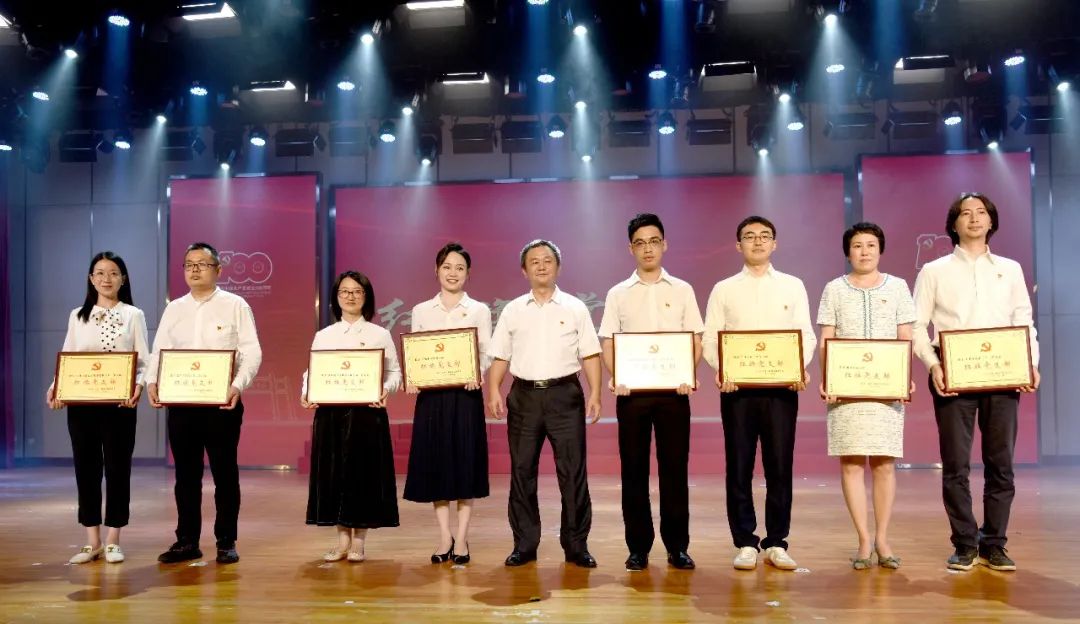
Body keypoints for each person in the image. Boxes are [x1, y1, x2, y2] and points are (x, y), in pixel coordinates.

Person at [912, 192, 1040, 572]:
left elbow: (1023, 320)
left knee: (1001, 464)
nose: (973, 218)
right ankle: (965, 543)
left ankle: (995, 543)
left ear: (991, 221)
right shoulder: (934, 271)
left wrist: (1031, 363)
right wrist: (933, 365)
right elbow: (917, 326)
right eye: (965, 213)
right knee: (956, 465)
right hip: (953, 375)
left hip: (1003, 373)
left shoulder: (1010, 269)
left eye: (981, 212)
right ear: (953, 224)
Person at [702, 216, 816, 572]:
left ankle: (777, 541)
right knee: (739, 466)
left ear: (774, 244)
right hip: (737, 391)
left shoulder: (792, 286)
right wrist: (723, 370)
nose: (758, 241)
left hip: (782, 390)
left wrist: (798, 368)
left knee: (779, 466)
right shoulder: (724, 289)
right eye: (750, 236)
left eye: (765, 236)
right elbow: (710, 338)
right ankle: (745, 542)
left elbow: (805, 334)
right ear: (738, 245)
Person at [487, 239, 603, 568]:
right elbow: (500, 355)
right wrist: (493, 389)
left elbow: (590, 354)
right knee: (522, 471)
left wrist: (596, 392)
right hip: (524, 397)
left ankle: (576, 545)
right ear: (524, 271)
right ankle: (524, 544)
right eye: (534, 261)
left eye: (547, 260)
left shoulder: (575, 308)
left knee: (572, 472)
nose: (541, 265)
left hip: (565, 394)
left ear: (558, 267)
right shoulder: (513, 310)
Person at [597, 214, 704, 571]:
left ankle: (677, 546)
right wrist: (617, 376)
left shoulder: (683, 289)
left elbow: (696, 338)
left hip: (675, 393)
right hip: (632, 395)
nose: (648, 249)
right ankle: (638, 547)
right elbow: (608, 342)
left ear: (664, 244)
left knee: (675, 470)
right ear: (631, 248)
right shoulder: (618, 294)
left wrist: (688, 374)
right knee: (634, 471)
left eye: (654, 241)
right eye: (640, 243)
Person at [146, 242, 262, 565]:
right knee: (185, 475)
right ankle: (187, 540)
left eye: (202, 264)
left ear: (218, 270)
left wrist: (237, 385)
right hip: (182, 403)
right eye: (189, 264)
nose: (194, 269)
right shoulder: (174, 309)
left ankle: (226, 540)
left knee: (225, 473)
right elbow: (159, 351)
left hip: (222, 404)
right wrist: (152, 381)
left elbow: (252, 351)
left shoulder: (235, 305)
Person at [816, 223, 916, 570]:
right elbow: (826, 339)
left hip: (886, 387)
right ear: (848, 252)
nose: (864, 251)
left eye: (871, 245)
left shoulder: (898, 287)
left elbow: (906, 336)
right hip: (846, 388)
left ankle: (883, 538)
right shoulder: (833, 289)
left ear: (880, 249)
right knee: (852, 463)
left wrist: (904, 378)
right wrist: (828, 378)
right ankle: (862, 539)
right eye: (857, 245)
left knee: (885, 463)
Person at [46, 251, 149, 565]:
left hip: (119, 404)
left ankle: (114, 539)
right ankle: (92, 541)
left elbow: (144, 361)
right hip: (82, 405)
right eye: (100, 273)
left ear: (123, 279)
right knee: (86, 470)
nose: (107, 278)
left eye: (113, 273)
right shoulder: (77, 315)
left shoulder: (134, 315)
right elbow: (68, 356)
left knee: (118, 469)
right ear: (91, 279)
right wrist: (56, 388)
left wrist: (138, 386)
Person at [301, 271, 401, 562]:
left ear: (366, 297)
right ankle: (342, 539)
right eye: (345, 291)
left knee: (363, 476)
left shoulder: (379, 334)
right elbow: (312, 371)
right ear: (336, 297)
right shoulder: (324, 336)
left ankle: (359, 541)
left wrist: (385, 389)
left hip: (367, 415)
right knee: (335, 476)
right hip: (331, 415)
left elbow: (394, 373)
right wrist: (306, 392)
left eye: (357, 291)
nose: (351, 296)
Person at [404, 243, 492, 565]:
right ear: (436, 270)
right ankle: (444, 537)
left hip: (466, 396)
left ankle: (463, 539)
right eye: (447, 267)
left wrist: (476, 374)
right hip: (432, 399)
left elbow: (486, 353)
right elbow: (417, 352)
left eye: (459, 268)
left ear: (468, 273)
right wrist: (413, 377)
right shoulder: (421, 310)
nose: (453, 273)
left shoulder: (479, 310)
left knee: (465, 466)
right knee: (437, 466)